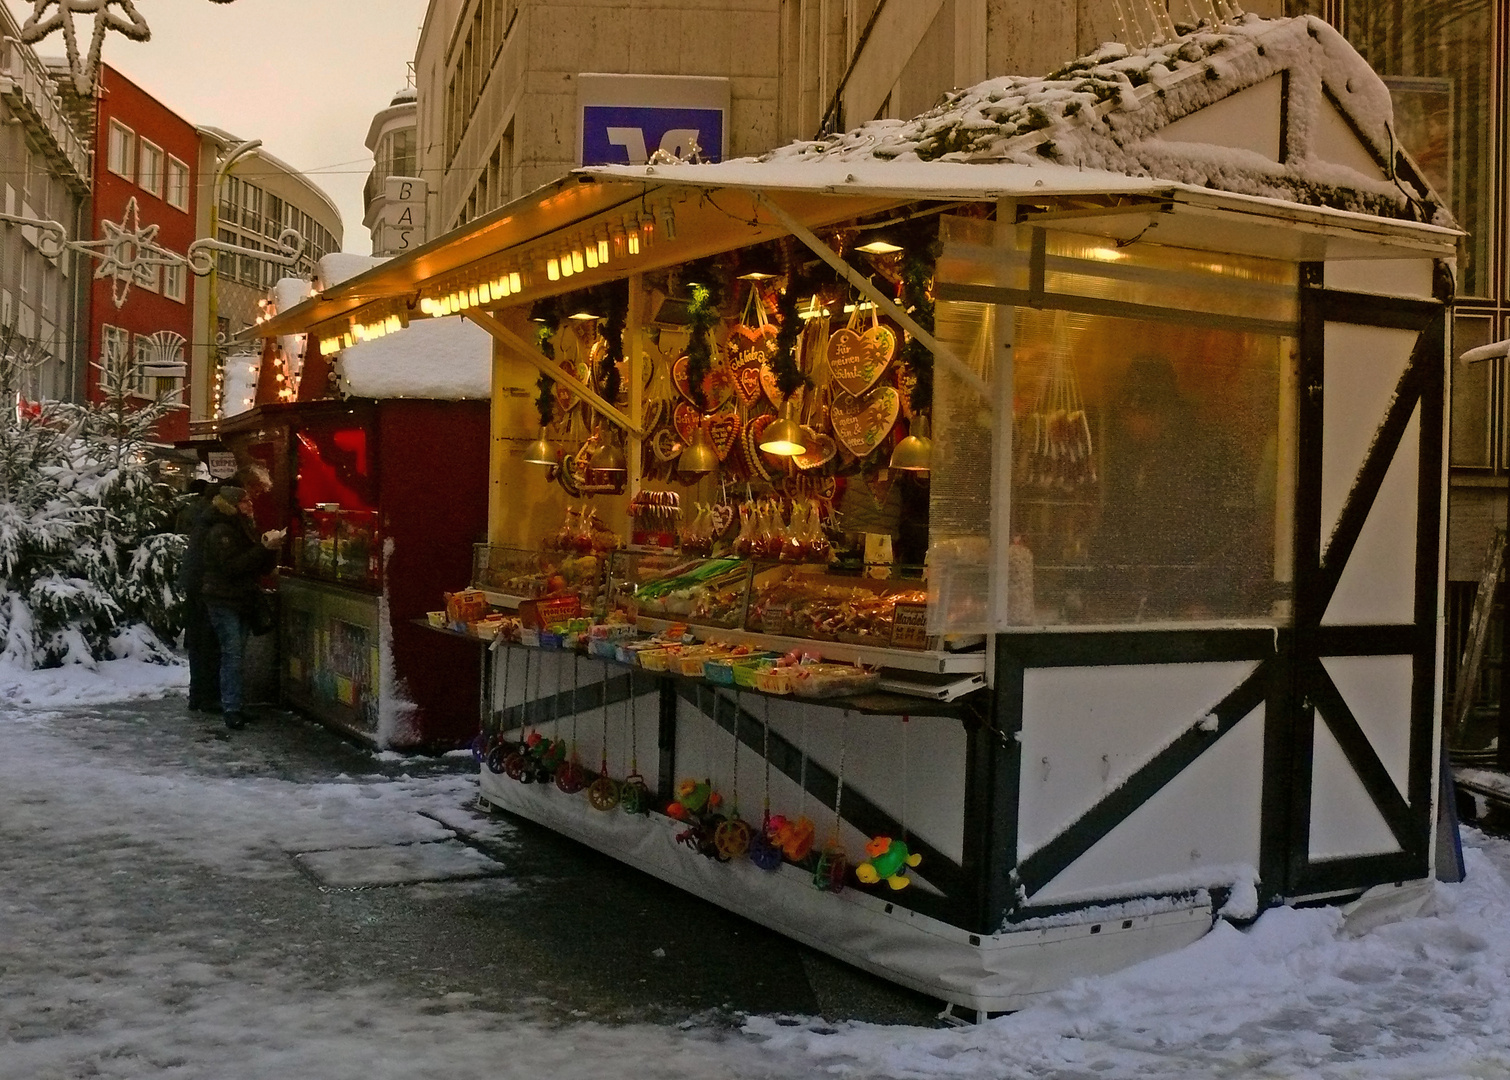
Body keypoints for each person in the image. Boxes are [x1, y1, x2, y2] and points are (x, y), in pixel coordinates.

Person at [201, 485, 283, 730]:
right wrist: (262, 549)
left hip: (240, 599)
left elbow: (256, 566)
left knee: (236, 655)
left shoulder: (243, 527)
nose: (250, 505)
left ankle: (235, 705)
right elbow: (232, 567)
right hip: (224, 599)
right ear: (231, 505)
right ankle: (232, 708)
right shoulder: (222, 531)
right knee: (233, 655)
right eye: (244, 501)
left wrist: (270, 549)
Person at [175, 479, 221, 713]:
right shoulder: (212, 521)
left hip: (194, 585)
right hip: (203, 587)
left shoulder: (197, 515)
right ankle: (207, 696)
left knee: (198, 643)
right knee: (207, 642)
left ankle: (197, 694)